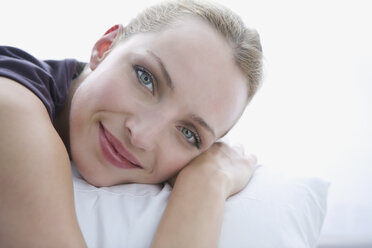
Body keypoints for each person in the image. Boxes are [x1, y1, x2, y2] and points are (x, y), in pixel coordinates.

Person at [0, 0, 263, 247]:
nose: (142, 136)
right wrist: (206, 186)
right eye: (146, 78)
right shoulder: (11, 106)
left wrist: (208, 178)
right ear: (105, 48)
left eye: (188, 133)